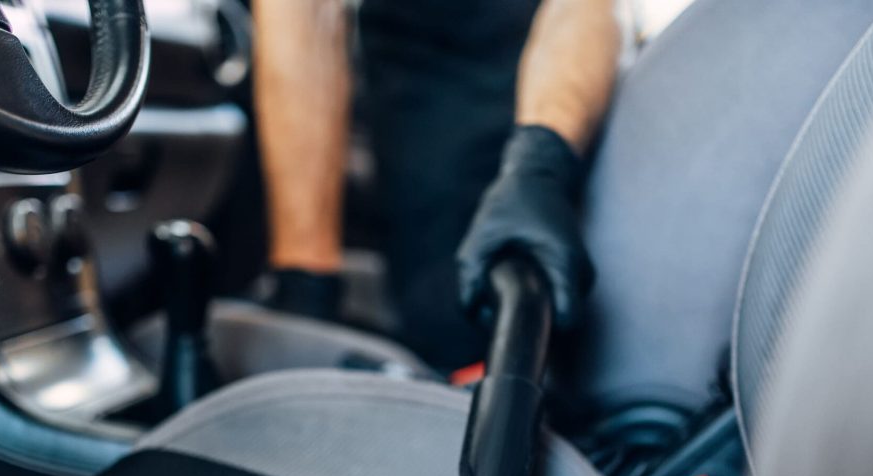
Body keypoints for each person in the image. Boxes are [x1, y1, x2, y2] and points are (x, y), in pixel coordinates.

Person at [252, 0, 623, 369]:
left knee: (553, 322)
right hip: (420, 90)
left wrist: (540, 161)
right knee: (447, 321)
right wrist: (306, 280)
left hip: (553, 77)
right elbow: (302, 13)